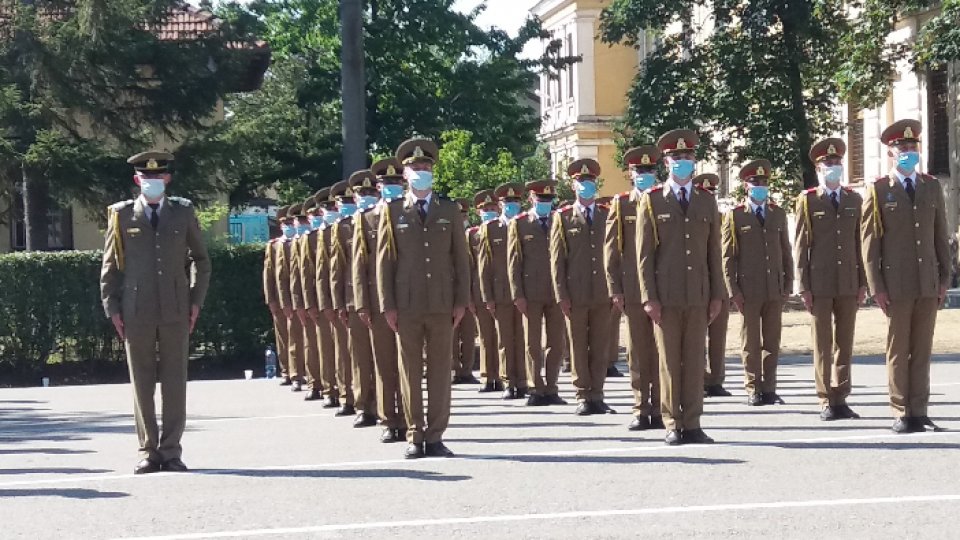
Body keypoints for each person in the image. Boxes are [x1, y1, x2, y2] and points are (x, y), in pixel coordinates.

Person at [100, 151, 211, 474]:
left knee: (175, 381)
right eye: (145, 179)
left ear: (167, 179)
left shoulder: (183, 213)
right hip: (136, 309)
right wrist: (112, 307)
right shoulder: (121, 216)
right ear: (137, 181)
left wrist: (195, 300)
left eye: (157, 177)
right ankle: (149, 450)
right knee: (142, 382)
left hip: (176, 307)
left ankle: (172, 450)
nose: (152, 183)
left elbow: (201, 261)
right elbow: (110, 266)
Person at [376, 138, 470, 459]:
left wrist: (461, 301)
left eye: (426, 167)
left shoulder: (449, 209)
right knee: (410, 370)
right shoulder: (391, 212)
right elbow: (385, 263)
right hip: (407, 304)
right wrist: (388, 305)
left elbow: (461, 260)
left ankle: (436, 435)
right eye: (415, 168)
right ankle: (414, 434)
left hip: (443, 303)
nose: (421, 172)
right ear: (405, 173)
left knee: (441, 371)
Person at [862, 119, 951, 434]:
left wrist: (944, 279)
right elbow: (870, 245)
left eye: (913, 147)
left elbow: (940, 236)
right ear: (890, 152)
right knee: (899, 348)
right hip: (896, 284)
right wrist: (877, 287)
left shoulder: (930, 186)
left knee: (923, 347)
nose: (908, 152)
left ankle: (919, 409)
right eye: (902, 148)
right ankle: (901, 410)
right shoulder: (878, 189)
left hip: (927, 281)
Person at [637, 129, 724, 445]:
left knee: (695, 360)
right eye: (676, 158)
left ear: (694, 161)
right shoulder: (652, 200)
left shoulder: (706, 199)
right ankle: (673, 422)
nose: (682, 162)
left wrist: (717, 294)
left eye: (687, 158)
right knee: (670, 361)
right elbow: (644, 255)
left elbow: (714, 251)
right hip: (667, 296)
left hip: (698, 295)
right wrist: (649, 297)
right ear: (666, 162)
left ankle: (693, 422)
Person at [794, 138, 865, 421]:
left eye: (836, 163)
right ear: (818, 168)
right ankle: (825, 398)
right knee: (823, 342)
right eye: (827, 164)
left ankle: (841, 397)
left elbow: (861, 244)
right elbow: (801, 246)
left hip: (848, 280)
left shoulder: (854, 199)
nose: (833, 167)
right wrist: (804, 286)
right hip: (819, 283)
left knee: (844, 342)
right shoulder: (808, 200)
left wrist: (862, 282)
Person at [722, 160, 793, 406]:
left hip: (774, 287)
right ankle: (753, 387)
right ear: (746, 186)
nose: (760, 186)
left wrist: (788, 283)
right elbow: (728, 257)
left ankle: (770, 388)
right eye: (755, 183)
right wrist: (734, 290)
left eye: (763, 182)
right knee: (751, 342)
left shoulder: (777, 213)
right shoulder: (735, 216)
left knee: (772, 341)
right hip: (748, 290)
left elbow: (785, 252)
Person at [551, 158, 615, 416]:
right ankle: (582, 394)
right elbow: (557, 259)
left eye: (589, 181)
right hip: (575, 293)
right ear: (573, 185)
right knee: (578, 345)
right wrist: (561, 294)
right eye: (581, 182)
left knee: (600, 344)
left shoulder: (606, 215)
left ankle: (597, 394)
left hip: (602, 291)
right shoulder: (563, 217)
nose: (585, 185)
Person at [605, 145, 663, 430]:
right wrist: (615, 288)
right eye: (639, 171)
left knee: (664, 351)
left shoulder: (665, 200)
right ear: (630, 173)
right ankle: (641, 408)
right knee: (638, 351)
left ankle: (663, 406)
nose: (644, 175)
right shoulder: (622, 204)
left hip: (664, 287)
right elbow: (612, 250)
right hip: (633, 289)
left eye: (649, 170)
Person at [356, 158, 408, 443]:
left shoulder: (412, 213)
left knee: (409, 363)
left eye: (396, 183)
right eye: (386, 184)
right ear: (379, 187)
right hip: (377, 301)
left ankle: (411, 418)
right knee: (384, 363)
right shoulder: (366, 218)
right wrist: (363, 302)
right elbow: (359, 265)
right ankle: (390, 419)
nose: (391, 188)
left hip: (410, 299)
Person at [507, 180, 567, 406]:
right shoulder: (520, 223)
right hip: (530, 292)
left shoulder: (559, 220)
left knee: (556, 342)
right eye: (540, 199)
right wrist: (517, 294)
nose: (545, 203)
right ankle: (535, 387)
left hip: (556, 291)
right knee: (532, 343)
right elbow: (514, 262)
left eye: (548, 200)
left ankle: (551, 387)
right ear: (531, 199)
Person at [332, 173, 379, 428]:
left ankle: (385, 407)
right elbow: (337, 269)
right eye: (362, 195)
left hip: (385, 299)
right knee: (360, 356)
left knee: (385, 358)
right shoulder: (343, 226)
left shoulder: (389, 218)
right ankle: (363, 406)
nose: (367, 198)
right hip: (355, 299)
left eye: (371, 194)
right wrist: (340, 302)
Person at [479, 182, 528, 400]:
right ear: (500, 205)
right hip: (500, 293)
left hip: (526, 292)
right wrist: (487, 297)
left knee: (525, 339)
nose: (512, 205)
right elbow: (484, 267)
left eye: (515, 201)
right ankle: (509, 381)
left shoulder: (528, 225)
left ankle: (524, 380)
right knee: (505, 339)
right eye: (507, 202)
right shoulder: (490, 229)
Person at [693, 173, 733, 398]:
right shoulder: (695, 216)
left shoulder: (723, 217)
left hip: (719, 283)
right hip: (698, 283)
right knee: (697, 337)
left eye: (713, 193)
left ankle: (716, 379)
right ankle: (699, 378)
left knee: (718, 336)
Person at [472, 190, 503, 393]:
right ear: (478, 212)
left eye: (492, 209)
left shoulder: (505, 229)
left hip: (501, 290)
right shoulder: (472, 234)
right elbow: (466, 267)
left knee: (503, 336)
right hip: (478, 292)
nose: (489, 212)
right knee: (485, 337)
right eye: (485, 209)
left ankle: (501, 375)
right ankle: (487, 376)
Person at [298, 196, 326, 402]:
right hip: (316, 300)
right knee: (316, 345)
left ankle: (339, 389)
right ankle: (317, 383)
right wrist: (305, 302)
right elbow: (302, 275)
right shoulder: (308, 239)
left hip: (339, 300)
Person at [452, 197, 480, 385]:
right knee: (452, 334)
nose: (462, 218)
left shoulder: (472, 236)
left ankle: (467, 370)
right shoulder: (445, 235)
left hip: (470, 291)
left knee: (469, 334)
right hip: (450, 293)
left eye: (464, 215)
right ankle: (454, 369)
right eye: (459, 215)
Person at [263, 206, 291, 385]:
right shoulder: (274, 246)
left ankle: (303, 374)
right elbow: (269, 275)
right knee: (284, 338)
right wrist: (271, 299)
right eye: (285, 223)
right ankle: (288, 372)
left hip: (302, 300)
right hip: (281, 298)